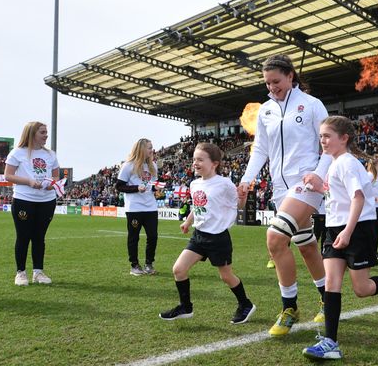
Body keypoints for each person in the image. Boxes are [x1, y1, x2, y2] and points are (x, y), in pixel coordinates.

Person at [302, 116, 378, 360]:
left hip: (357, 228)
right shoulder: (334, 163)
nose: (322, 140)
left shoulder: (347, 163)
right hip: (334, 228)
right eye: (321, 136)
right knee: (331, 283)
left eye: (327, 136)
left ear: (344, 138)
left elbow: (358, 198)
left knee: (362, 289)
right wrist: (318, 188)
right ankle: (331, 343)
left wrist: (348, 231)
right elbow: (338, 194)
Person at [237, 54, 331, 336]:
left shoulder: (313, 106)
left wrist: (318, 173)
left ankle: (289, 308)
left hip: (306, 184)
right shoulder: (265, 110)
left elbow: (328, 145)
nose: (272, 88)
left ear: (291, 76)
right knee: (306, 246)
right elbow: (261, 150)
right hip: (280, 188)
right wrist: (246, 179)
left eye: (276, 81)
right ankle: (329, 300)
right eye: (267, 83)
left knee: (276, 239)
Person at [159, 143, 256, 324]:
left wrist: (242, 198)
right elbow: (197, 207)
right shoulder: (194, 184)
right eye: (194, 159)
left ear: (214, 163)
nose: (195, 163)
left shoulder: (224, 183)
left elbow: (238, 205)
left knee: (226, 276)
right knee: (179, 269)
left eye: (200, 159)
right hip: (199, 235)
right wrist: (187, 222)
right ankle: (185, 307)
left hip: (218, 237)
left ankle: (245, 304)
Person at [4, 121, 59, 286]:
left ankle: (38, 272)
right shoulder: (17, 153)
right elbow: (8, 175)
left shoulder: (51, 155)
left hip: (47, 201)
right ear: (32, 133)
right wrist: (28, 181)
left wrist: (52, 184)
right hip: (24, 200)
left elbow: (56, 176)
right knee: (23, 237)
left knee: (39, 238)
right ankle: (20, 273)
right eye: (42, 132)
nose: (46, 135)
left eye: (46, 132)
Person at [115, 139, 159, 276]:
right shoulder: (128, 166)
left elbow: (152, 185)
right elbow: (119, 186)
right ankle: (134, 265)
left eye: (152, 147)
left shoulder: (153, 166)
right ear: (141, 149)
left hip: (151, 207)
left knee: (153, 236)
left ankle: (149, 263)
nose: (152, 150)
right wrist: (136, 188)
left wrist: (157, 190)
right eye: (149, 148)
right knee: (134, 237)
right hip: (134, 208)